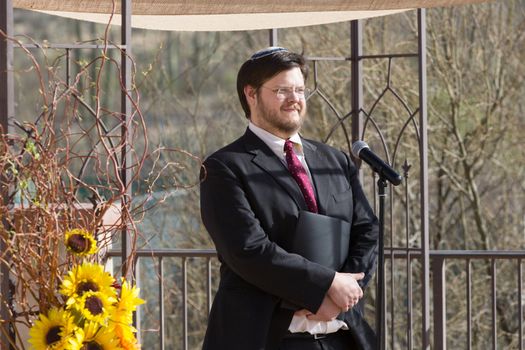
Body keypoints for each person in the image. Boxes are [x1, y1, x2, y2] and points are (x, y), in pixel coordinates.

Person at [200, 46, 379, 350]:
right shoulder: (224, 167)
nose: (295, 99)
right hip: (269, 338)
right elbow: (249, 250)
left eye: (299, 89)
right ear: (251, 94)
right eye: (282, 90)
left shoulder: (334, 161)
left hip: (343, 337)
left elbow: (368, 231)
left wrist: (343, 293)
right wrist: (324, 286)